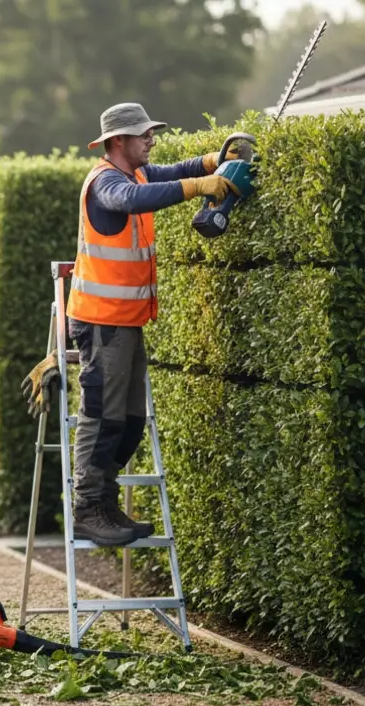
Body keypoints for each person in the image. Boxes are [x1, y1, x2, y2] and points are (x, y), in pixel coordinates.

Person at [21, 102, 240, 547]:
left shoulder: (135, 173)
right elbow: (132, 201)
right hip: (101, 323)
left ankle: (105, 499)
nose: (151, 140)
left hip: (125, 322)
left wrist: (212, 161)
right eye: (143, 135)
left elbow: (164, 173)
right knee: (101, 416)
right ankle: (88, 508)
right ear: (118, 142)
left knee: (131, 421)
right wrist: (199, 186)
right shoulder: (107, 182)